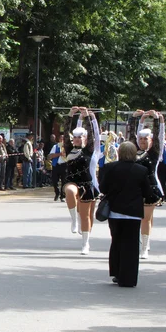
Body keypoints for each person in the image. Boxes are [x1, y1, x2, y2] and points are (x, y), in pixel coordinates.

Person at [100, 141, 152, 288]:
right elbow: (147, 192)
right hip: (133, 213)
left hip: (115, 212)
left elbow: (103, 188)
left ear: (120, 153)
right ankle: (128, 278)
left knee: (116, 241)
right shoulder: (141, 170)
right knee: (131, 245)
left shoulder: (110, 167)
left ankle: (116, 272)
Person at [127, 110, 165, 259]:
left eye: (145, 139)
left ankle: (144, 247)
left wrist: (157, 120)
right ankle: (143, 240)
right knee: (138, 218)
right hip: (134, 188)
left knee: (145, 218)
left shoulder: (155, 152)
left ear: (150, 140)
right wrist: (138, 119)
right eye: (141, 139)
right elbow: (131, 137)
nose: (142, 142)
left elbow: (159, 137)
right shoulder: (133, 151)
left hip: (150, 188)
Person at [63, 107, 101, 255]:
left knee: (86, 216)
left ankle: (86, 243)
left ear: (84, 139)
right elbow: (66, 132)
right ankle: (74, 220)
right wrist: (70, 115)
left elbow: (93, 134)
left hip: (87, 184)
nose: (77, 139)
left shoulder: (89, 150)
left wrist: (88, 117)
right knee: (70, 192)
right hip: (71, 181)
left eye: (80, 137)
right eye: (75, 137)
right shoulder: (69, 148)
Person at [48, 134, 67, 201]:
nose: (62, 140)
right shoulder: (55, 146)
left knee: (64, 181)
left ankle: (62, 196)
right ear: (59, 139)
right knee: (54, 180)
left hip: (64, 165)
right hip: (56, 165)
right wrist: (59, 154)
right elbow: (50, 156)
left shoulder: (67, 147)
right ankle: (57, 192)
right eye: (61, 139)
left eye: (63, 139)